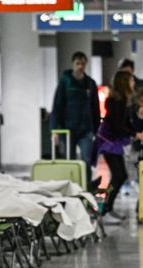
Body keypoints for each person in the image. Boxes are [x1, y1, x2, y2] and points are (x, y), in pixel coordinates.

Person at [94, 70, 142, 224]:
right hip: (109, 141)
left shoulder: (122, 100)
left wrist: (135, 132)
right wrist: (133, 134)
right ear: (124, 83)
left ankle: (107, 208)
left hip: (112, 141)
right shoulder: (117, 101)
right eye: (131, 81)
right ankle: (105, 210)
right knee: (119, 175)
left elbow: (124, 122)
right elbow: (118, 125)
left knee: (119, 175)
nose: (133, 83)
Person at [50, 51, 101, 182]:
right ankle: (71, 185)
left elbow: (95, 109)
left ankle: (86, 186)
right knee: (70, 160)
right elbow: (57, 107)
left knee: (86, 160)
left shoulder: (90, 84)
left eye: (83, 63)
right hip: (68, 130)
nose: (80, 66)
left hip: (86, 129)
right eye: (78, 63)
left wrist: (97, 131)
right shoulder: (65, 83)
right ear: (73, 64)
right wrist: (54, 130)